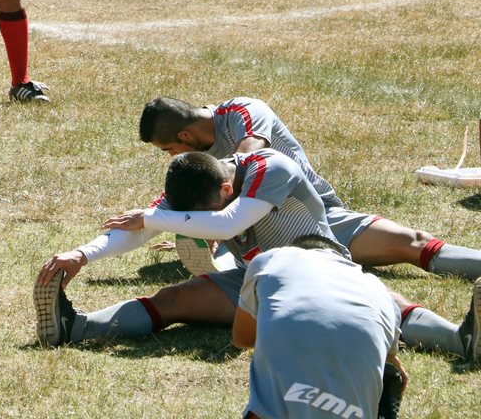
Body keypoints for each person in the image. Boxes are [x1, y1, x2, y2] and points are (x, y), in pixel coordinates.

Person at [33, 150, 478, 362]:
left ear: (227, 188)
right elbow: (139, 229)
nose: (196, 226)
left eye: (198, 214)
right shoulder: (195, 184)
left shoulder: (271, 167)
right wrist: (81, 255)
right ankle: (74, 327)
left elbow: (225, 225)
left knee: (386, 306)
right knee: (172, 299)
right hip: (255, 282)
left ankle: (463, 340)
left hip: (319, 262)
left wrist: (156, 219)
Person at [139, 97, 481, 282]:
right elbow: (162, 207)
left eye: (167, 150)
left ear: (184, 137)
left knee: (412, 243)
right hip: (250, 235)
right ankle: (225, 258)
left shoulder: (243, 112)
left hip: (312, 217)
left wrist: (207, 224)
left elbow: (251, 154)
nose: (172, 158)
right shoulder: (196, 168)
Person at [233, 236, 405, 419]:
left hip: (289, 397)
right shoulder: (382, 293)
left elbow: (242, 337)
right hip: (349, 411)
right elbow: (394, 374)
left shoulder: (272, 259)